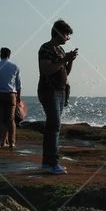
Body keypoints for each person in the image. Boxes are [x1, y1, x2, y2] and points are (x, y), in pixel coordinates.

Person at [38, 20, 77, 174]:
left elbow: (65, 73)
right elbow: (46, 70)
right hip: (49, 90)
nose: (68, 38)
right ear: (59, 33)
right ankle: (51, 163)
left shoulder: (60, 50)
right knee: (54, 125)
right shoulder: (46, 48)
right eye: (67, 34)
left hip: (61, 91)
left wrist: (70, 61)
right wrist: (64, 59)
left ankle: (49, 162)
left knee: (53, 126)